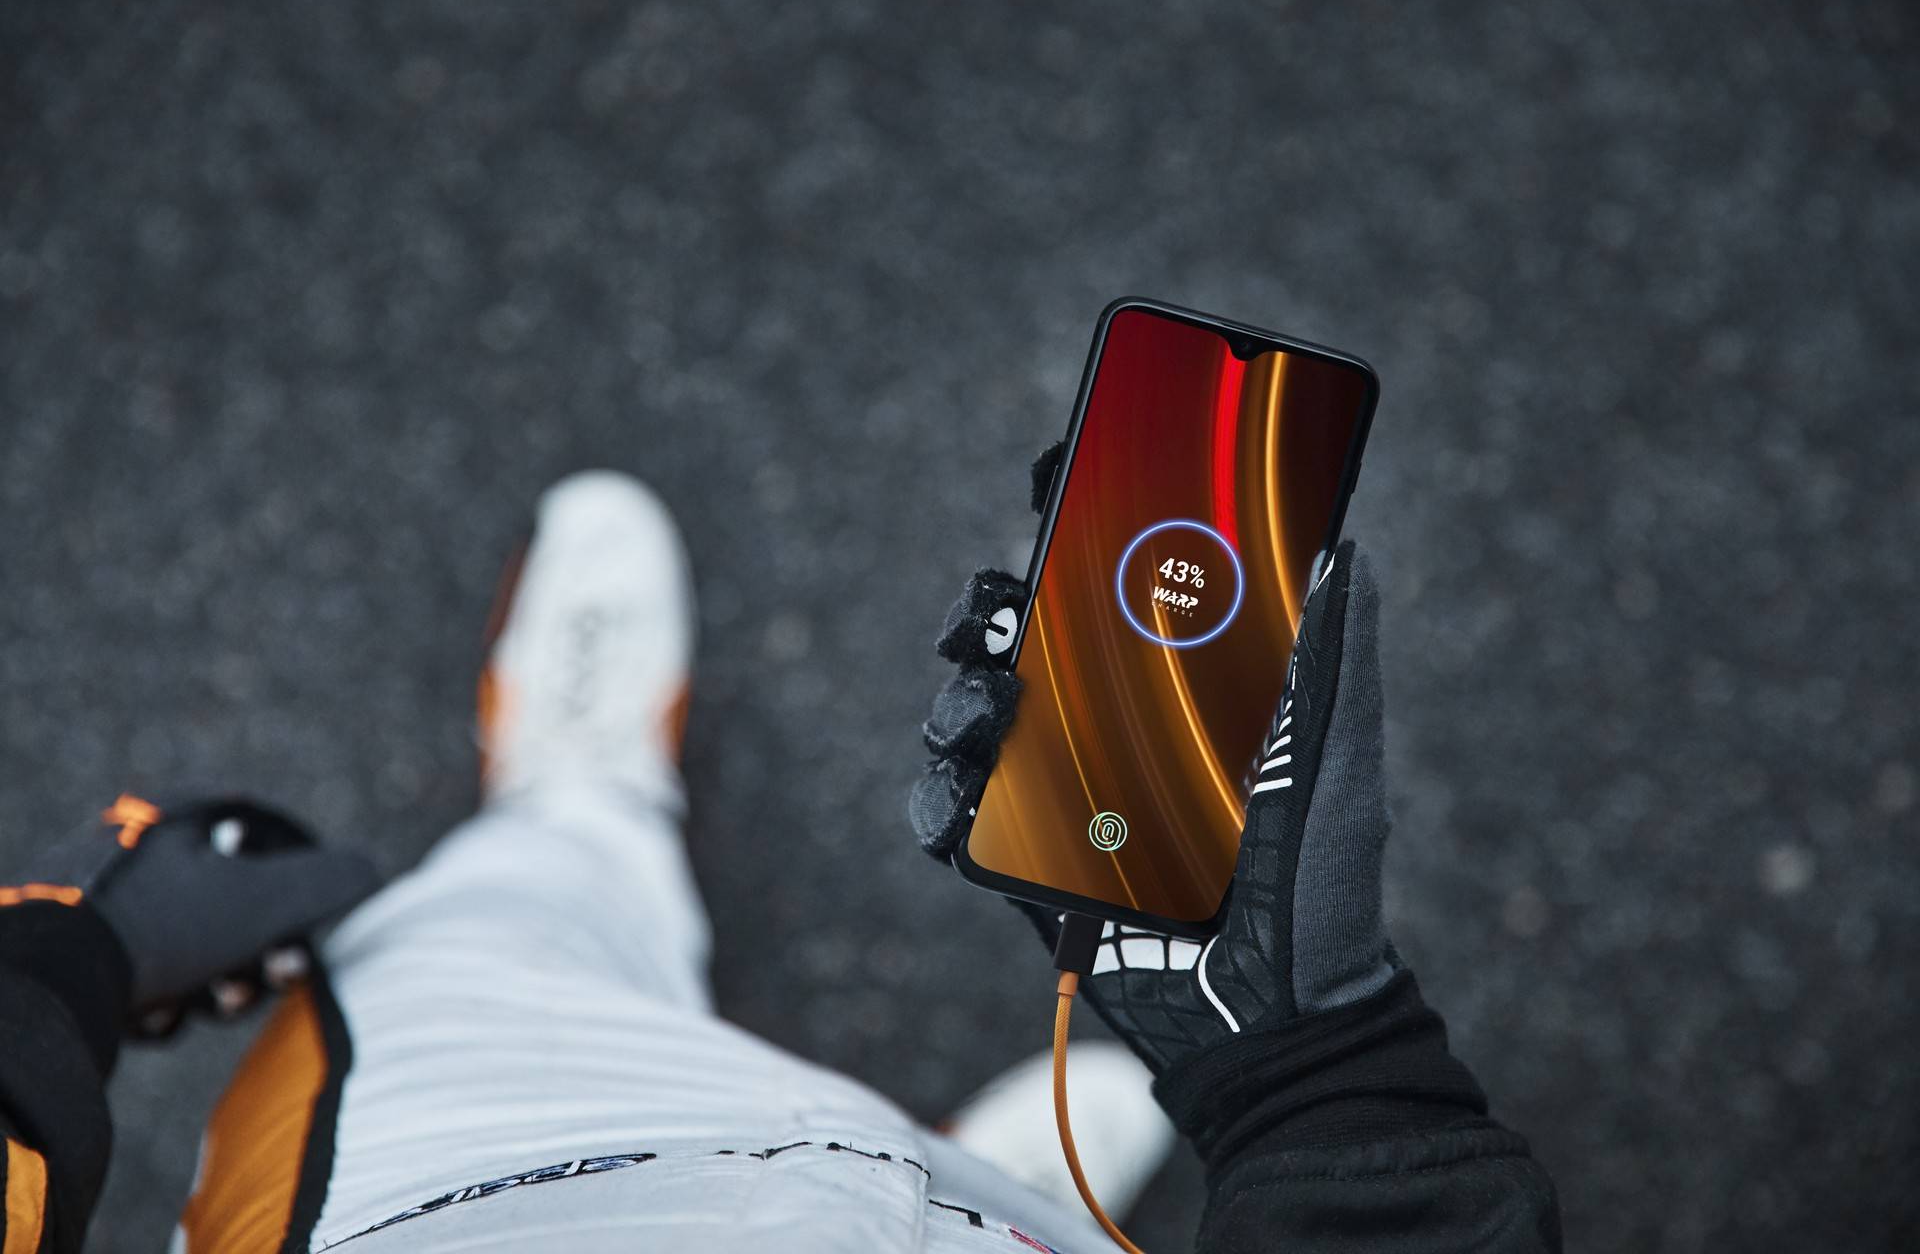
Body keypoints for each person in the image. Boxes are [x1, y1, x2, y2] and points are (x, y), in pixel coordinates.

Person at [0, 464, 1560, 1253]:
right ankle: (971, 1193)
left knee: (482, 936)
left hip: (429, 1198)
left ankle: (587, 807)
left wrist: (42, 981)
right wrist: (1320, 1091)